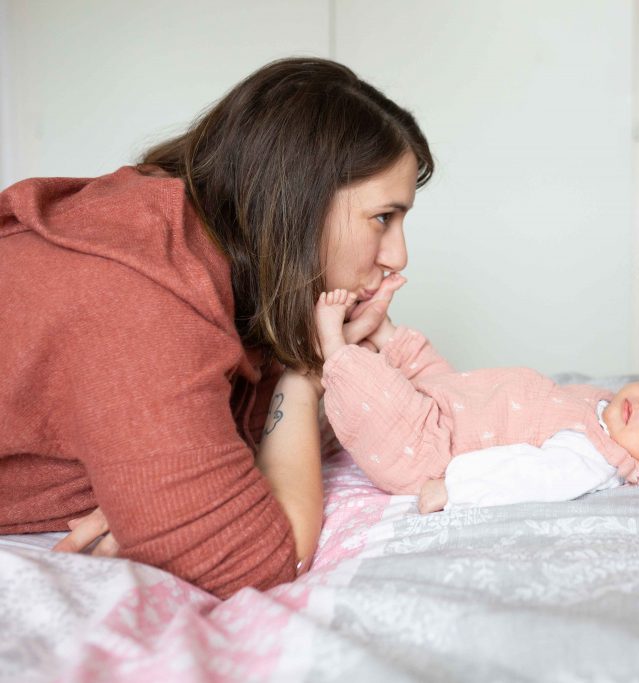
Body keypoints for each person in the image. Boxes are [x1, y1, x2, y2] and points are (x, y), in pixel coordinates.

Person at [0, 57, 434, 598]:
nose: (397, 256)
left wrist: (160, 502)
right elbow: (262, 563)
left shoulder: (225, 266)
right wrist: (306, 375)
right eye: (383, 218)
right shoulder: (139, 293)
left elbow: (237, 455)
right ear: (300, 202)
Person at [311, 285, 639, 514]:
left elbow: (527, 477)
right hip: (454, 407)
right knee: (437, 374)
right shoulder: (603, 409)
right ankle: (383, 333)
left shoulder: (592, 459)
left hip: (430, 450)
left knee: (388, 406)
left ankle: (334, 348)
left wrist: (455, 489)